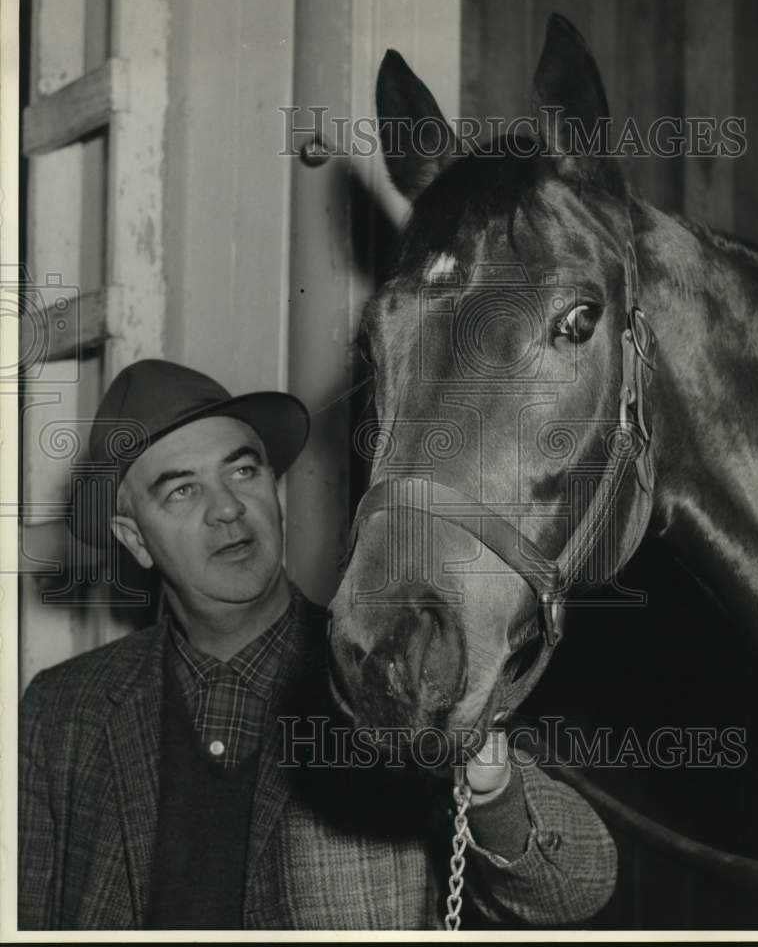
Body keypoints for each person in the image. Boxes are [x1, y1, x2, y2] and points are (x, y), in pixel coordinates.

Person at [18, 358, 617, 931]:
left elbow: (573, 887)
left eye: (243, 470)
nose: (228, 508)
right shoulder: (61, 712)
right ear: (135, 539)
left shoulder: (387, 670)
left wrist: (492, 788)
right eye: (182, 491)